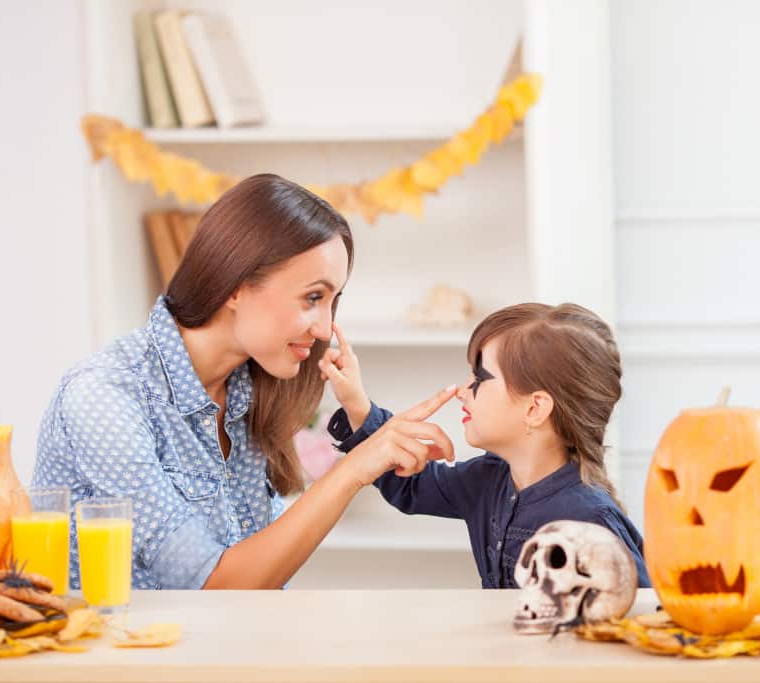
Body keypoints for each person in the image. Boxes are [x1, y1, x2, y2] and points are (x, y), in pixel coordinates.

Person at [33, 173, 458, 589]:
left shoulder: (246, 391)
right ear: (235, 286)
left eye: (333, 301)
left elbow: (260, 577)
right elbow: (217, 588)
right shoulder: (104, 396)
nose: (326, 328)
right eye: (313, 297)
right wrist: (354, 468)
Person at [322, 302, 651, 588]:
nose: (463, 391)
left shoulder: (590, 520)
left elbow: (643, 622)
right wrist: (357, 405)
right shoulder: (488, 481)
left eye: (479, 379)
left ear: (534, 409)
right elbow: (409, 485)